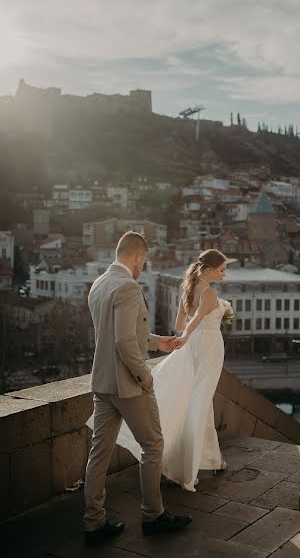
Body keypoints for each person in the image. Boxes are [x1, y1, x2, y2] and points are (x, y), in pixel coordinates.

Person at [84, 231, 192, 547]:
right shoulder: (128, 288)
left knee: (98, 454)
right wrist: (144, 374)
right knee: (153, 444)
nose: (143, 266)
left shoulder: (100, 284)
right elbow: (124, 341)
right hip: (127, 386)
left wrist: (160, 343)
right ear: (137, 256)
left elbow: (122, 334)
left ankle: (93, 523)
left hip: (102, 383)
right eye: (143, 260)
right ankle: (153, 515)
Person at [114, 249, 228, 492]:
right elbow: (196, 319)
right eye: (221, 270)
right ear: (208, 270)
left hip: (193, 348)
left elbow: (179, 323)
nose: (224, 274)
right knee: (201, 402)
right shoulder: (210, 292)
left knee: (198, 401)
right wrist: (187, 336)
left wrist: (186, 336)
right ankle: (187, 468)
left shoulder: (187, 288)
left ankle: (210, 458)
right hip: (208, 347)